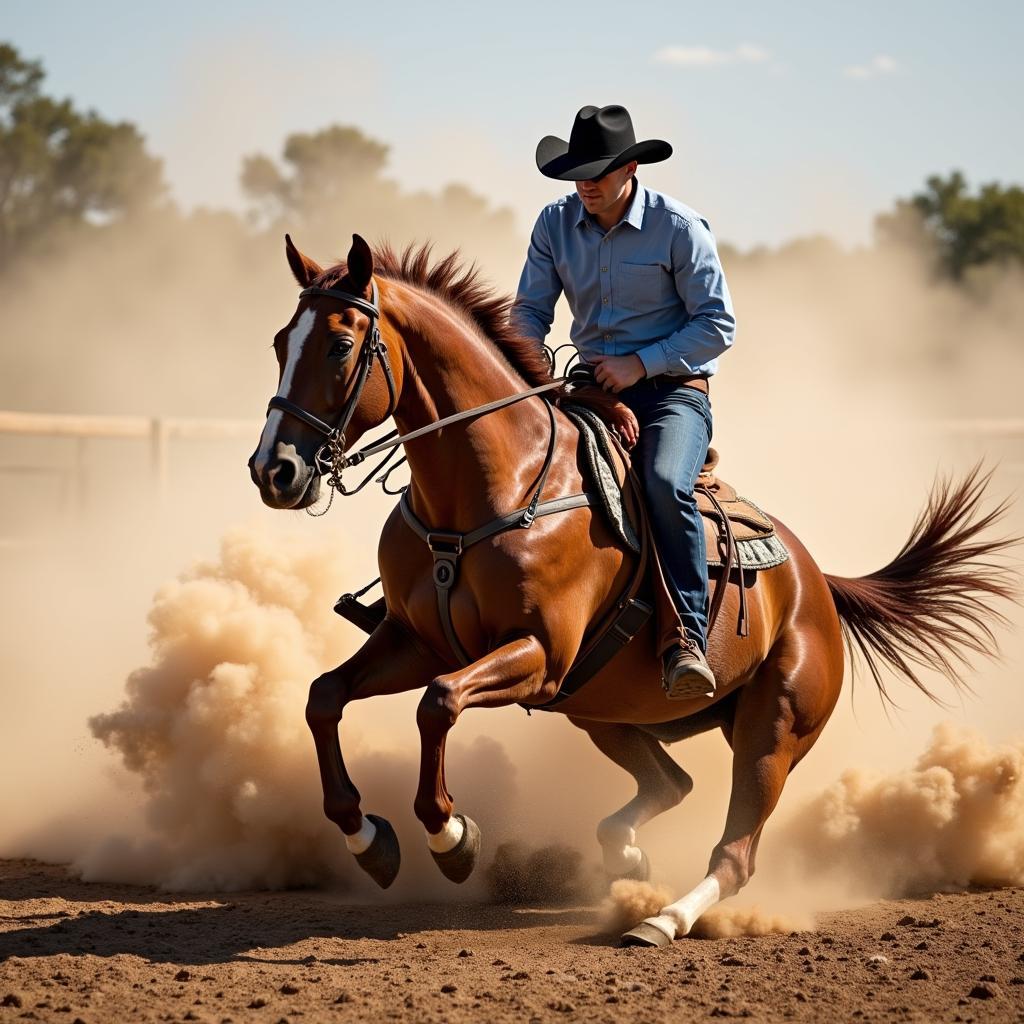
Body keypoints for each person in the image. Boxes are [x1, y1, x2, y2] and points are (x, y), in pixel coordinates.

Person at [510, 104, 736, 700]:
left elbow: (717, 325)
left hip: (672, 394)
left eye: (599, 171)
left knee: (663, 482)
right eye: (576, 173)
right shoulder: (553, 224)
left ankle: (686, 636)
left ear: (631, 168)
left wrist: (640, 363)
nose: (585, 183)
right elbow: (530, 312)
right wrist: (522, 367)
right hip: (586, 387)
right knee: (506, 466)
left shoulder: (680, 227)